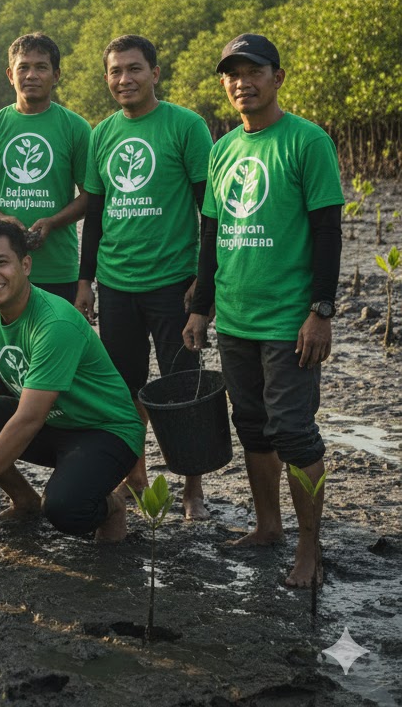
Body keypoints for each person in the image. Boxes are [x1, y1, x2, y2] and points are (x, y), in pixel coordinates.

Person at [182, 33, 343, 588]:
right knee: (252, 428)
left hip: (289, 320)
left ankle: (309, 547)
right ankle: (268, 526)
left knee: (294, 432)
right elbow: (211, 233)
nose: (241, 83)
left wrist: (321, 310)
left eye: (253, 72)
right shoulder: (223, 148)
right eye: (231, 74)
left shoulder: (307, 141)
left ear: (277, 77)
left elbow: (327, 231)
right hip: (235, 317)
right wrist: (201, 308)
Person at [0, 221, 145, 542]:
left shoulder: (54, 323)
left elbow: (28, 418)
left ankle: (112, 506)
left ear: (25, 265)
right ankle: (24, 500)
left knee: (66, 508)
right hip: (53, 426)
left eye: (0, 262)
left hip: (106, 431)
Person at [75, 35, 213, 520]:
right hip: (116, 284)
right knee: (122, 389)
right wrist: (85, 281)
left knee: (182, 388)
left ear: (155, 72)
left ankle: (193, 488)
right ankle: (134, 476)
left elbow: (209, 209)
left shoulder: (187, 126)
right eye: (115, 71)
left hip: (172, 283)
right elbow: (95, 213)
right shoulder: (102, 133)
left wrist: (205, 283)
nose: (124, 79)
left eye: (134, 69)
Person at [0, 32, 90, 304]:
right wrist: (2, 221)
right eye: (24, 67)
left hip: (59, 268)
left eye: (41, 67)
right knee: (8, 345)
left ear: (56, 75)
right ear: (11, 74)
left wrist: (53, 222)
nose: (31, 75)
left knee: (56, 343)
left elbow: (90, 196)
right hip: (1, 269)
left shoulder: (76, 127)